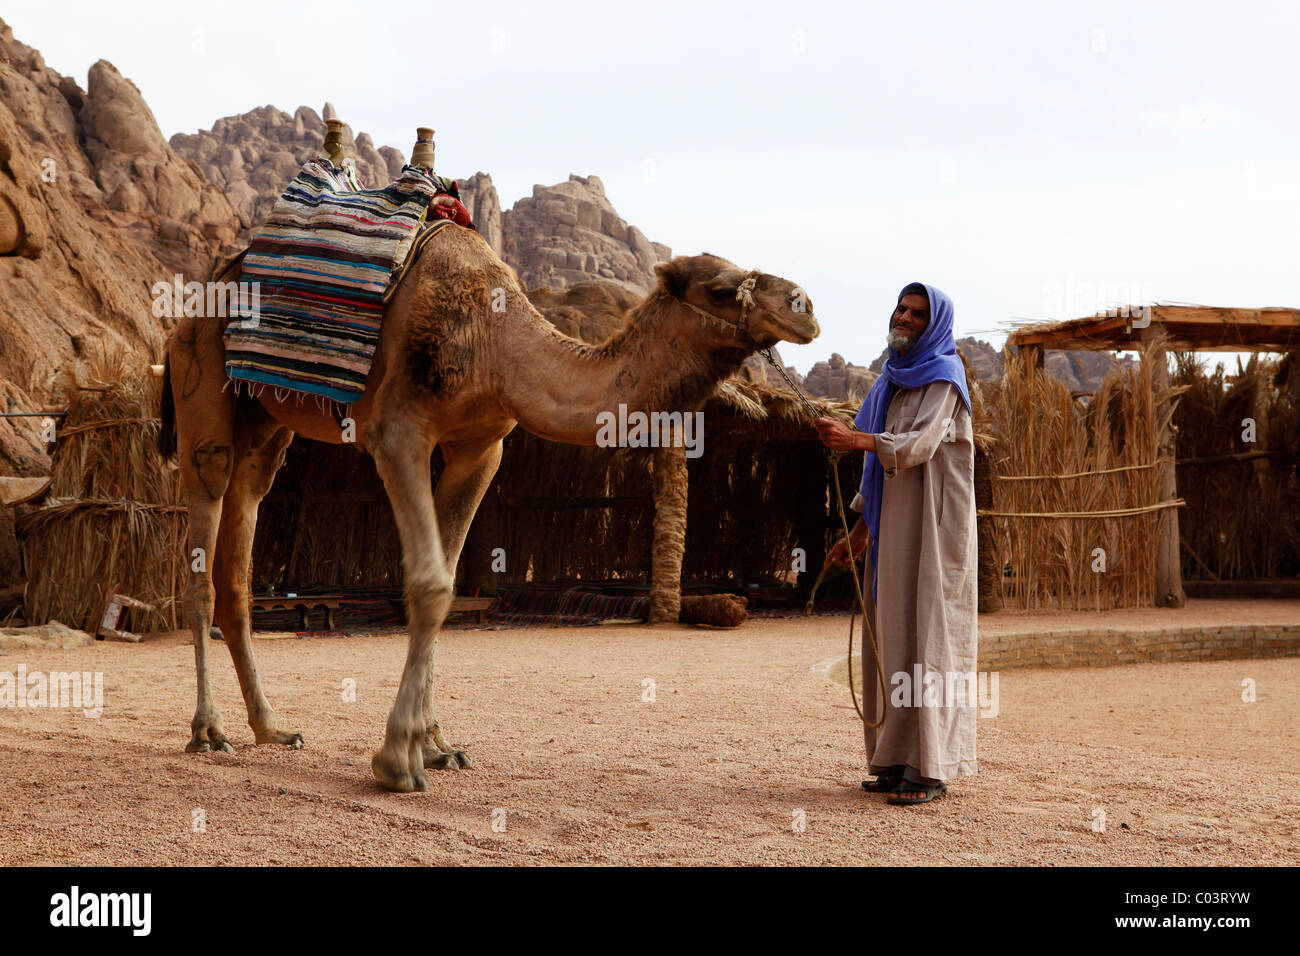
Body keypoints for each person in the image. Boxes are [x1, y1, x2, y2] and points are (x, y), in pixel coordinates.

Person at [814, 282, 977, 806]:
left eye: (917, 313)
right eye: (901, 309)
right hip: (892, 534)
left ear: (935, 324)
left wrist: (854, 439)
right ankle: (893, 760)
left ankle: (929, 768)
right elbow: (877, 472)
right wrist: (860, 533)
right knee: (892, 639)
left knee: (929, 637)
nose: (904, 317)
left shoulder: (945, 378)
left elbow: (919, 445)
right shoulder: (889, 380)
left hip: (933, 530)